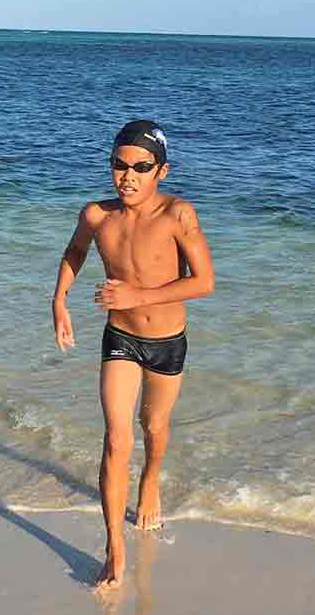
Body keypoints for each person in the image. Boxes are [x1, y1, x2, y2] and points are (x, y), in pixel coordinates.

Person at [52, 120, 215, 588]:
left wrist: (137, 295)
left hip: (167, 341)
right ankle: (114, 550)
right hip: (120, 338)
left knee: (154, 427)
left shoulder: (177, 215)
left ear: (161, 171)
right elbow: (75, 251)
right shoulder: (97, 215)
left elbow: (204, 281)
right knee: (116, 440)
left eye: (141, 167)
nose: (127, 176)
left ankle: (151, 480)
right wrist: (60, 300)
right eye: (119, 165)